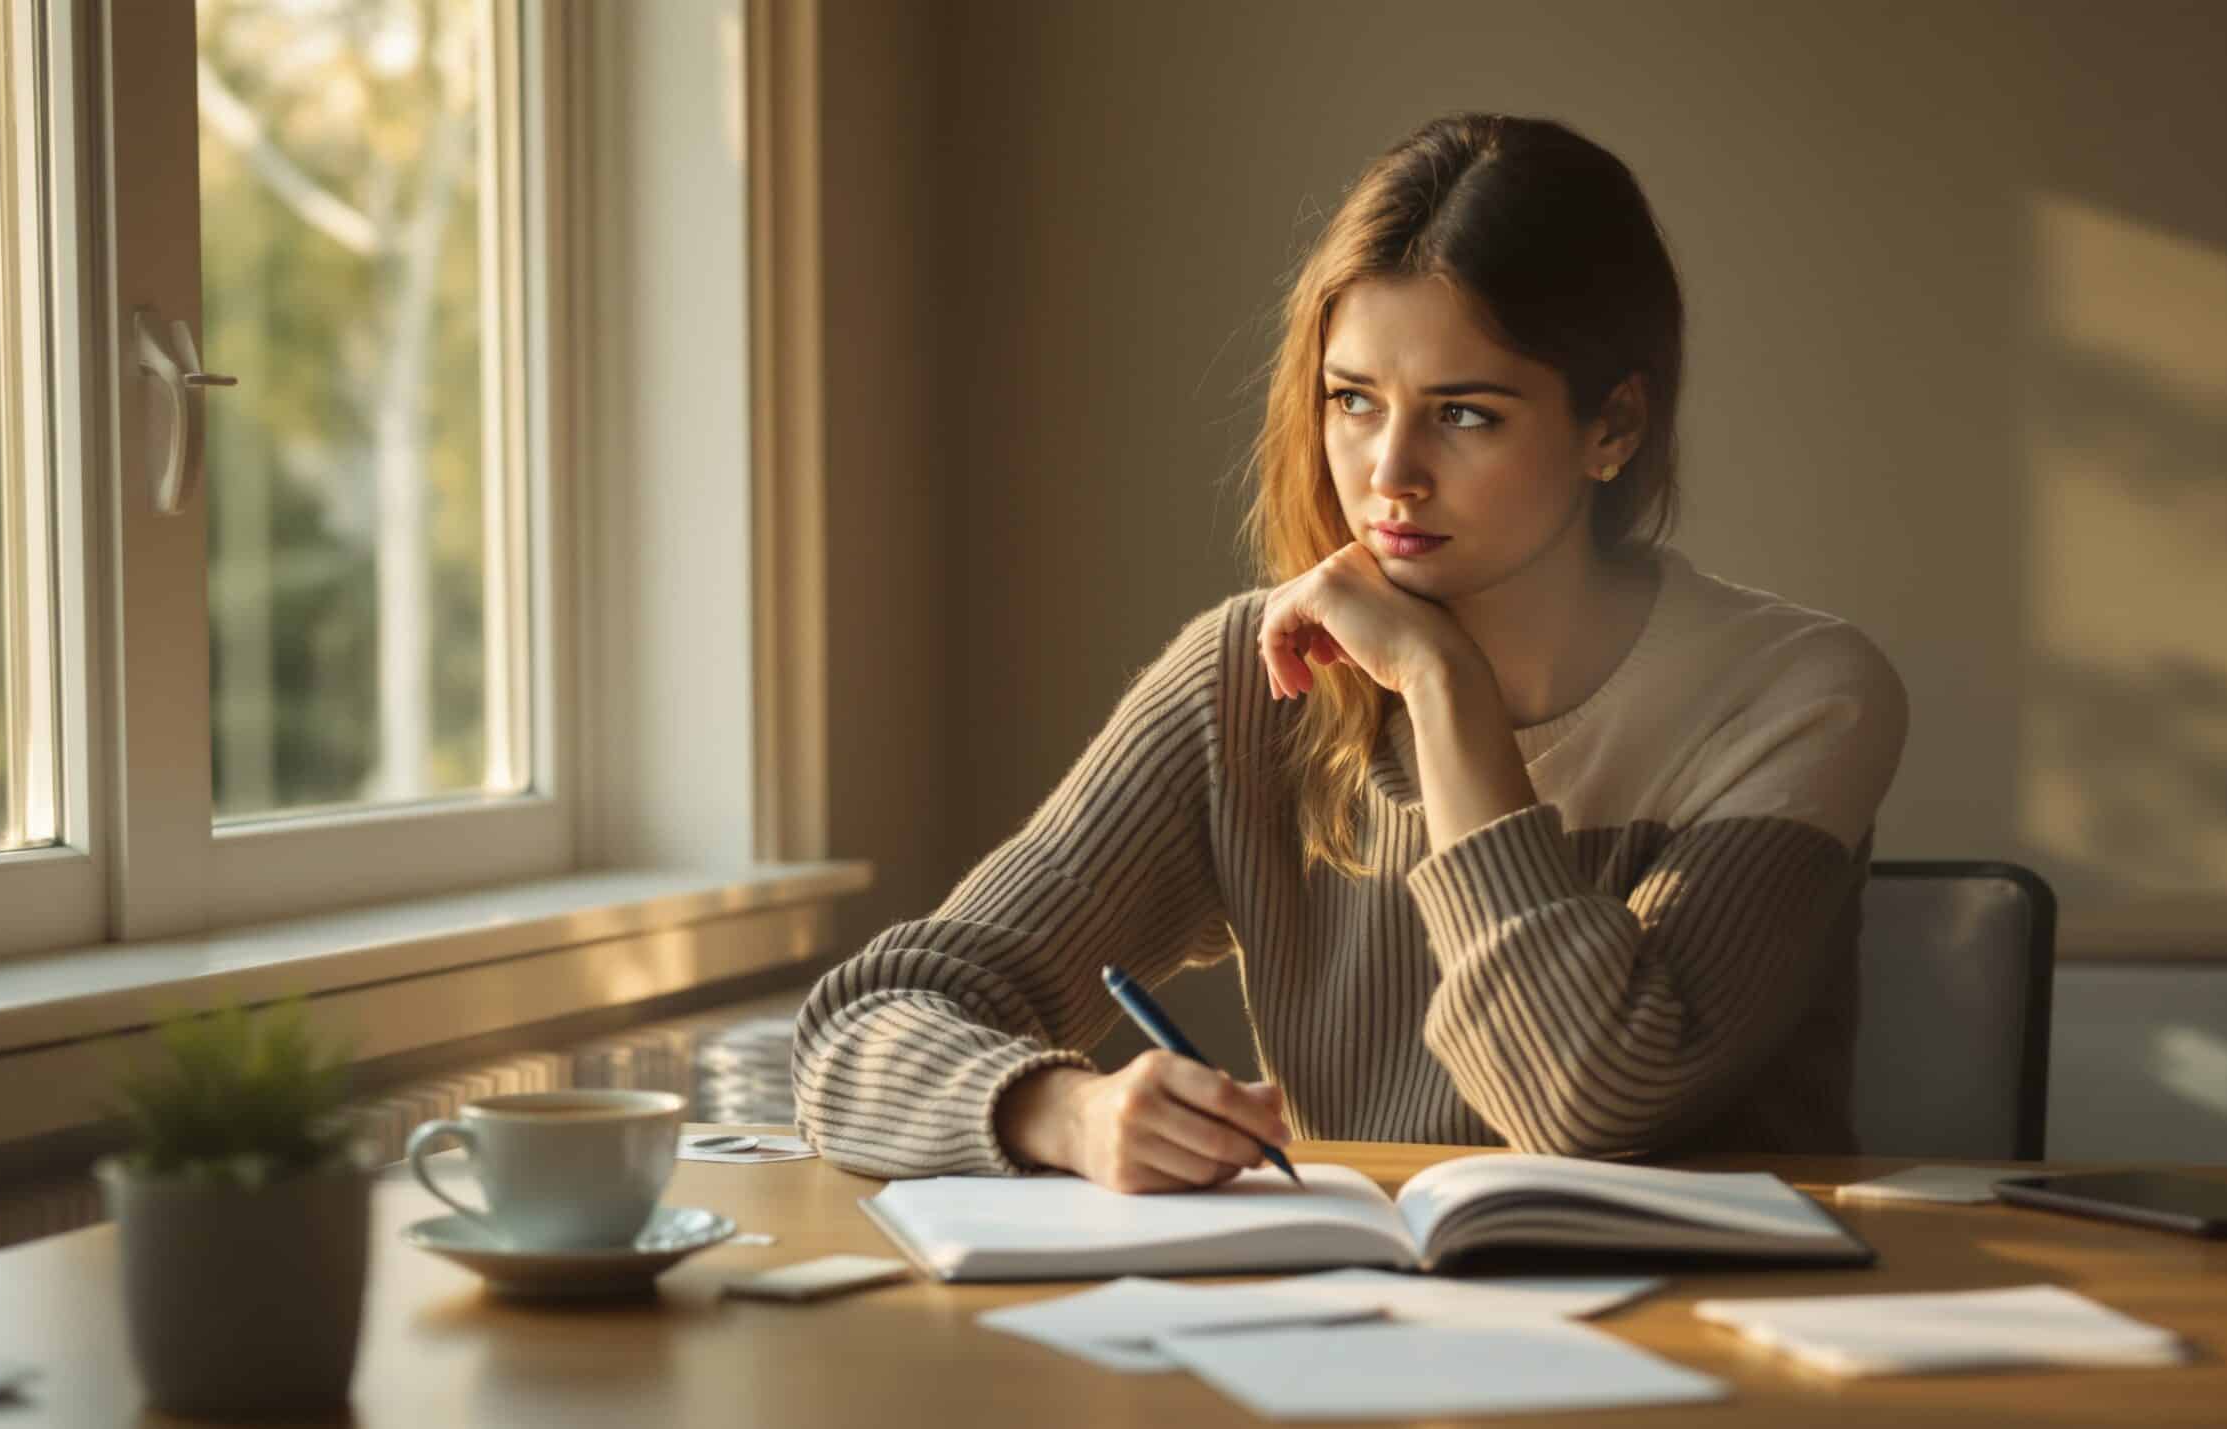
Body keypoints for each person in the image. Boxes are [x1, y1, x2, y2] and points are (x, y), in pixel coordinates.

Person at [792, 112, 1908, 1192]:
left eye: (1464, 413)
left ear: (1612, 426)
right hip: (1356, 1329)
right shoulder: (1249, 679)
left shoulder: (1795, 694)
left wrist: (1441, 688)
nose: (1389, 474)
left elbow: (1585, 1103)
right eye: (1353, 401)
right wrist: (1065, 1112)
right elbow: (858, 1027)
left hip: (1716, 1344)